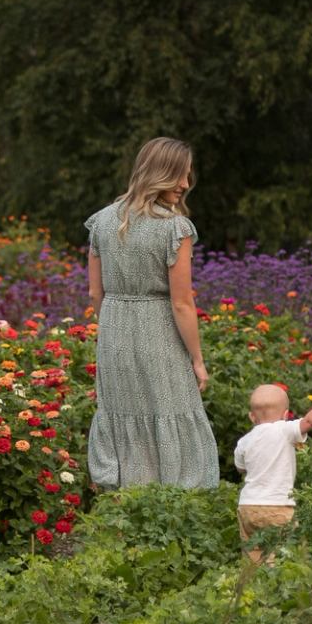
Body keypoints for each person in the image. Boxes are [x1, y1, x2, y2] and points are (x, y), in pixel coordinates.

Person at [83, 137, 219, 489]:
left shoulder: (101, 222)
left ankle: (126, 497)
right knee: (170, 410)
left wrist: (115, 325)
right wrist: (198, 359)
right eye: (179, 176)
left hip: (113, 331)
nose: (185, 185)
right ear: (159, 174)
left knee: (122, 412)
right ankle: (175, 499)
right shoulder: (175, 228)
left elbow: (95, 292)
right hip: (158, 331)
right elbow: (182, 302)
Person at [234, 379, 312, 562]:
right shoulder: (284, 429)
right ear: (286, 414)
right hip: (279, 506)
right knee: (287, 554)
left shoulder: (244, 441)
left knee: (253, 554)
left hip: (248, 506)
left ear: (252, 417)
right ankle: (280, 584)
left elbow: (241, 468)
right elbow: (310, 421)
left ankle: (254, 584)